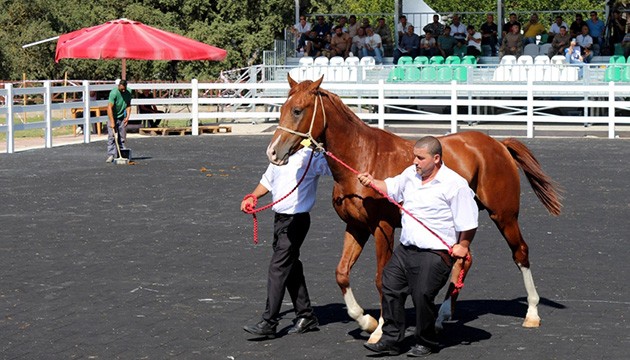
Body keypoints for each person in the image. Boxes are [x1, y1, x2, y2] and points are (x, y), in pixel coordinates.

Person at [358, 136, 478, 357]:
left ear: (436, 158)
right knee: (390, 284)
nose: (415, 161)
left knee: (422, 294)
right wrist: (372, 182)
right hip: (406, 250)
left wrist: (463, 244)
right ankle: (391, 339)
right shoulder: (410, 175)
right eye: (414, 156)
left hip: (435, 253)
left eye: (420, 158)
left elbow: (469, 221)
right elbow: (391, 187)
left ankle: (426, 341)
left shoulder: (455, 185)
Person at [241, 147, 331, 338]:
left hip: (297, 221)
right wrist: (253, 196)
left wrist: (325, 149)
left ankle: (269, 322)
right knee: (291, 267)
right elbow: (267, 181)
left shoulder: (311, 157)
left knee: (278, 268)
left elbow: (333, 167)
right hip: (280, 220)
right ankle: (306, 316)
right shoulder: (280, 155)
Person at [106, 80, 131, 163]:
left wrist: (127, 117)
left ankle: (122, 153)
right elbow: (109, 107)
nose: (123, 91)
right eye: (122, 89)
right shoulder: (114, 93)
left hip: (121, 117)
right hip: (112, 116)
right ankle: (111, 155)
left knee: (122, 136)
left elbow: (128, 105)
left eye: (125, 89)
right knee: (111, 136)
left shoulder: (128, 92)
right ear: (119, 86)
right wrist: (112, 121)